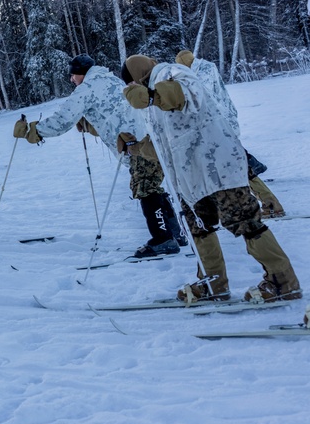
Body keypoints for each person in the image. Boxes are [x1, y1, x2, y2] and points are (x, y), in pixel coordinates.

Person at [120, 55, 301, 303]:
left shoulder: (170, 72)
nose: (130, 91)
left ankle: (283, 281)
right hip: (190, 177)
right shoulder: (152, 102)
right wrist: (135, 148)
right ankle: (213, 283)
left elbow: (185, 93)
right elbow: (163, 143)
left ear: (137, 77)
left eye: (129, 85)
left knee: (245, 221)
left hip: (217, 167)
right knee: (198, 227)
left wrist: (150, 96)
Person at [13, 54, 187, 258]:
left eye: (73, 75)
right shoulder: (111, 79)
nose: (71, 80)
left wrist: (32, 131)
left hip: (136, 143)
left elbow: (63, 119)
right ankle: (174, 233)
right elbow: (113, 114)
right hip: (149, 138)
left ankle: (163, 239)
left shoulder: (87, 88)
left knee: (145, 187)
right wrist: (90, 125)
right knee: (151, 185)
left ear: (82, 74)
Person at [174, 50, 286, 217]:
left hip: (211, 132)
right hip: (224, 126)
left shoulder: (189, 77)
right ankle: (268, 203)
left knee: (233, 170)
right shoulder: (209, 69)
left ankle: (267, 205)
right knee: (237, 168)